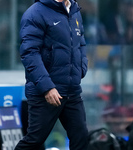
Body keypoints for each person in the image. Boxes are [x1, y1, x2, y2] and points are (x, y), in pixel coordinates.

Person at [14, 0, 88, 150]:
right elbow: (30, 54)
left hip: (72, 90)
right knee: (35, 140)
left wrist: (81, 68)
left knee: (81, 137)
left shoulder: (74, 10)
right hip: (46, 92)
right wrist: (47, 87)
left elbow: (81, 44)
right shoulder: (35, 13)